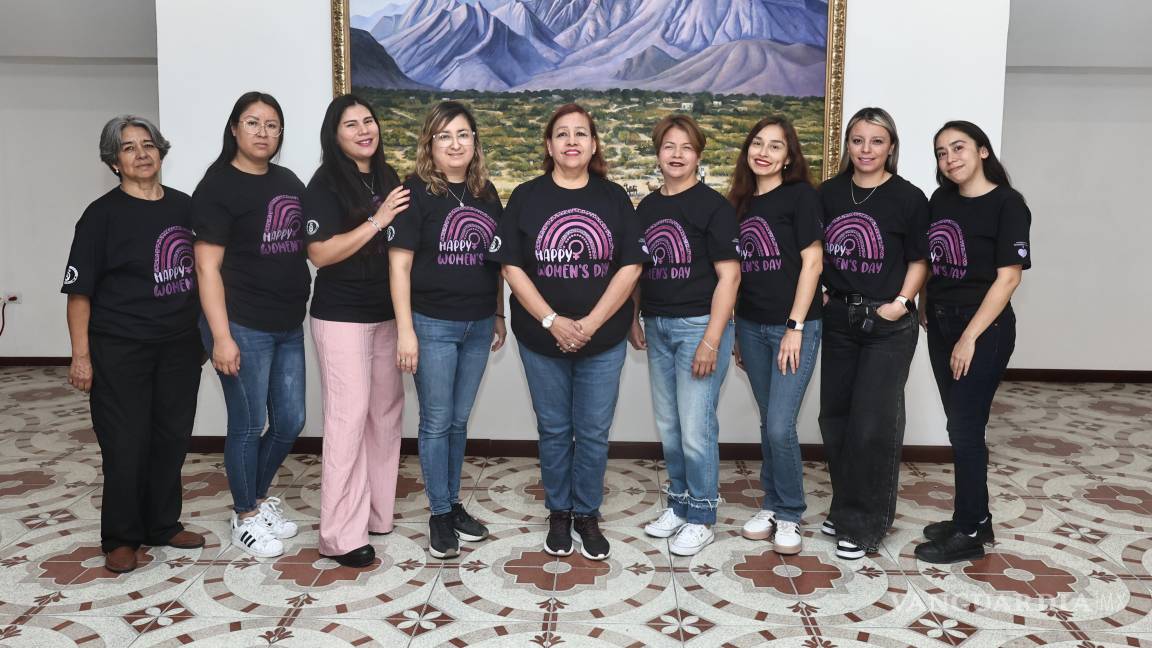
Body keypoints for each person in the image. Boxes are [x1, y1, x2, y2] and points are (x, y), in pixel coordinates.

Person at [489, 104, 648, 561]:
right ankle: (559, 511)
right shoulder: (526, 196)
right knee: (555, 429)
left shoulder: (614, 197)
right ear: (549, 145)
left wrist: (591, 323)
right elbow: (511, 266)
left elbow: (631, 265)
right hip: (542, 339)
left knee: (594, 431)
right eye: (562, 134)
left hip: (604, 339)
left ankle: (587, 513)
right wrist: (551, 321)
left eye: (581, 133)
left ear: (593, 144)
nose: (572, 141)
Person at [62, 115, 205, 574]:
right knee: (125, 444)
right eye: (128, 148)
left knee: (171, 439)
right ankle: (121, 537)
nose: (142, 154)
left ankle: (163, 524)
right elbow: (79, 294)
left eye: (148, 145)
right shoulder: (100, 216)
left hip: (179, 347)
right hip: (120, 349)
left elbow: (203, 274)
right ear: (113, 162)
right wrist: (81, 356)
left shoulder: (184, 208)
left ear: (161, 152)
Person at [193, 92, 311, 558]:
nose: (263, 133)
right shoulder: (217, 186)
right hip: (241, 323)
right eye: (253, 123)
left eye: (272, 125)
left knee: (290, 421)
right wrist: (221, 337)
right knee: (247, 424)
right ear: (234, 130)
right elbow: (206, 269)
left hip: (287, 322)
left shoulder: (288, 181)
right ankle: (244, 515)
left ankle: (256, 499)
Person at [388, 100, 506, 559]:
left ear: (475, 142)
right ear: (430, 144)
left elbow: (496, 261)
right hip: (431, 324)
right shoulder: (414, 192)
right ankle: (439, 514)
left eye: (463, 134)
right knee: (436, 422)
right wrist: (405, 331)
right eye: (444, 136)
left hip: (478, 324)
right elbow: (399, 267)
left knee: (458, 421)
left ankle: (454, 505)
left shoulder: (486, 192)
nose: (455, 144)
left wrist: (498, 314)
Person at [914, 121, 1031, 564]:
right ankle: (976, 517)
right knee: (960, 426)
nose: (950, 159)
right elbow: (932, 258)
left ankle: (968, 534)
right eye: (942, 153)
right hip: (943, 324)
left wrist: (968, 337)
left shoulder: (1007, 204)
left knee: (964, 431)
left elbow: (1009, 278)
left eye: (959, 148)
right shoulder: (941, 200)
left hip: (984, 329)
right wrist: (926, 303)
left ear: (982, 151)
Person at [818, 107, 929, 560]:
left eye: (876, 141)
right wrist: (825, 293)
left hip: (887, 325)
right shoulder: (827, 193)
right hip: (840, 320)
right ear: (848, 145)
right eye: (858, 140)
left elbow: (921, 260)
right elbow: (812, 252)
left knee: (873, 425)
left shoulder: (909, 197)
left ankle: (865, 524)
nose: (866, 150)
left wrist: (900, 303)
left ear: (891, 147)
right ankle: (846, 506)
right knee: (836, 419)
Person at [304, 94, 410, 568]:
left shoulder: (389, 179)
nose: (364, 130)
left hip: (387, 315)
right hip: (340, 315)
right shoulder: (324, 183)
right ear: (335, 135)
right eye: (352, 125)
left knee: (385, 417)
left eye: (369, 121)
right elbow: (320, 253)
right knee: (347, 421)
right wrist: (377, 220)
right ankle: (339, 535)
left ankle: (375, 514)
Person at [630, 115, 740, 556]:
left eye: (686, 147)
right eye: (668, 146)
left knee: (697, 430)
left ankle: (702, 516)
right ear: (658, 153)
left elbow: (730, 278)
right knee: (671, 428)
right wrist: (634, 318)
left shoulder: (714, 207)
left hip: (700, 326)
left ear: (699, 154)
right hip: (657, 327)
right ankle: (678, 503)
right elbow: (638, 271)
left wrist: (712, 340)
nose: (676, 155)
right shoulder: (647, 208)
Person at [726, 116, 824, 555]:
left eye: (776, 146)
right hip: (750, 325)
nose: (764, 152)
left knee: (782, 425)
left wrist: (795, 326)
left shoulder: (800, 197)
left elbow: (812, 264)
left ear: (789, 157)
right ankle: (771, 502)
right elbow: (735, 275)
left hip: (793, 328)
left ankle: (790, 513)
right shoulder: (740, 203)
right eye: (758, 143)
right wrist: (734, 332)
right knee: (769, 421)